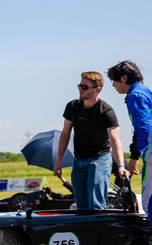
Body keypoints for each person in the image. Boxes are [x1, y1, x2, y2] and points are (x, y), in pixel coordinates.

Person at [53, 71, 125, 210]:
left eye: (84, 87)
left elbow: (116, 141)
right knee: (82, 207)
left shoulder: (106, 111)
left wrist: (121, 165)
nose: (80, 90)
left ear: (97, 89)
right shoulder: (72, 106)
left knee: (96, 205)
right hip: (79, 160)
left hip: (100, 160)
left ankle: (100, 231)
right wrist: (58, 160)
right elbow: (65, 134)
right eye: (79, 86)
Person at [106, 61, 152, 245]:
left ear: (124, 78)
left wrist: (134, 157)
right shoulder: (145, 91)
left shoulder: (134, 95)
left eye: (114, 80)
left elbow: (143, 127)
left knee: (149, 201)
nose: (114, 85)